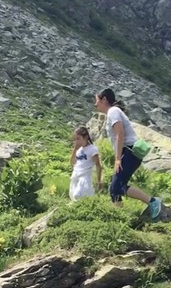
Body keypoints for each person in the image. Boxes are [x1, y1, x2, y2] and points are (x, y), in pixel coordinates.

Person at [95, 87, 162, 219]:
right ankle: (119, 217)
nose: (95, 103)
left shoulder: (113, 111)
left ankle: (153, 201)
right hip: (128, 153)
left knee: (117, 186)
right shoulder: (113, 112)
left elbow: (120, 134)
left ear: (104, 100)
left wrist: (117, 159)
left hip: (129, 152)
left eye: (97, 100)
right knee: (114, 189)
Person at [69, 126, 102, 201]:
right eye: (75, 139)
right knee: (74, 197)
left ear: (86, 137)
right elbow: (72, 162)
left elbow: (98, 165)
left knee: (80, 195)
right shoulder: (78, 150)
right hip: (75, 175)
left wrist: (98, 180)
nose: (77, 141)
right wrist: (75, 150)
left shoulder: (92, 149)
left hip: (85, 176)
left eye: (78, 138)